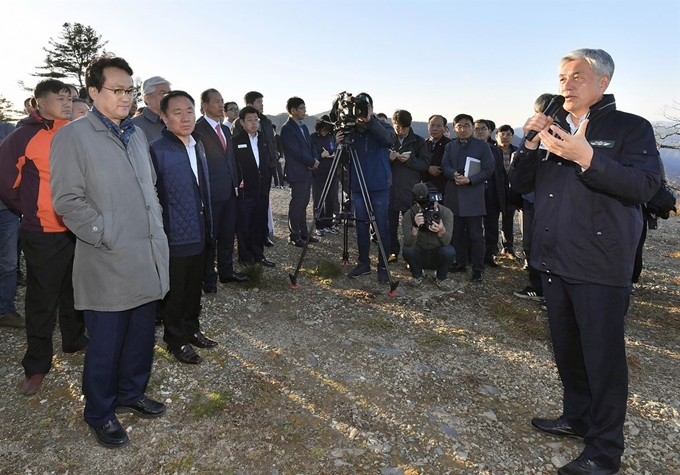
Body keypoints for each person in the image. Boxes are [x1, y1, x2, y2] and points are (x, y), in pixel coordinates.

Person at [509, 48, 660, 475]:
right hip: (554, 262)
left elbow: (646, 186)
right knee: (568, 351)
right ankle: (577, 416)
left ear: (603, 83)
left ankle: (604, 452)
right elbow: (520, 185)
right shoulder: (553, 128)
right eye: (561, 77)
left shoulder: (631, 128)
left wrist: (587, 156)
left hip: (600, 266)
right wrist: (531, 143)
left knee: (603, 361)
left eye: (577, 76)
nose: (566, 84)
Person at [50, 55, 170, 449]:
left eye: (129, 89)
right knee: (106, 343)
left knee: (139, 336)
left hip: (145, 254)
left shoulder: (136, 134)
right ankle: (99, 412)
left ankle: (130, 393)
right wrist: (105, 233)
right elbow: (67, 200)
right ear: (94, 91)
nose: (125, 96)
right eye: (116, 89)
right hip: (107, 257)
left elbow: (148, 186)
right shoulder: (72, 136)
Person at [0, 79, 88, 395]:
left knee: (76, 291)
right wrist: (32, 211)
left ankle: (75, 339)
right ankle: (36, 365)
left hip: (79, 230)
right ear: (39, 102)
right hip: (43, 233)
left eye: (70, 96)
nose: (66, 101)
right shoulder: (23, 137)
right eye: (59, 96)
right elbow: (7, 182)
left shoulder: (78, 131)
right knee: (41, 300)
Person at [149, 90, 217, 365]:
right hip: (174, 233)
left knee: (193, 287)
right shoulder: (156, 149)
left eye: (189, 110)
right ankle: (174, 339)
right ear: (164, 117)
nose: (185, 117)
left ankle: (192, 329)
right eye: (177, 112)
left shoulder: (197, 144)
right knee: (175, 291)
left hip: (200, 228)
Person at [335, 93, 396, 283]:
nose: (360, 112)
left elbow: (389, 140)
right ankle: (363, 263)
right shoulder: (351, 130)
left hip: (379, 184)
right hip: (358, 186)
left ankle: (383, 266)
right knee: (361, 226)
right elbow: (345, 161)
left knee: (381, 228)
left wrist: (370, 121)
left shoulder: (382, 125)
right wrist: (340, 144)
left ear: (371, 108)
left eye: (364, 108)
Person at [195, 88, 247, 292]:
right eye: (216, 101)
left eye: (222, 101)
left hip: (228, 192)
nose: (220, 105)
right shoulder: (198, 129)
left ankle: (226, 272)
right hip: (210, 194)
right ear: (204, 105)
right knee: (211, 237)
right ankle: (208, 278)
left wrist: (235, 183)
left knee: (226, 235)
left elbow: (231, 159)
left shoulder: (225, 129)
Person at [441, 114, 494, 282]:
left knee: (476, 235)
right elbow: (444, 165)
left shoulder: (482, 147)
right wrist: (453, 174)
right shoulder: (450, 146)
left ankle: (478, 268)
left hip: (473, 196)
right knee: (456, 233)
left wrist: (470, 180)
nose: (463, 130)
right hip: (454, 194)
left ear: (472, 128)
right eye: (459, 126)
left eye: (466, 126)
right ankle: (461, 261)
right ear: (454, 128)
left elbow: (489, 169)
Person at [233, 106, 276, 268]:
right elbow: (233, 166)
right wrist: (238, 183)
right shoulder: (235, 141)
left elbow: (268, 162)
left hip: (262, 189)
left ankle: (259, 255)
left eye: (256, 120)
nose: (254, 123)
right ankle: (245, 257)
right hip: (245, 190)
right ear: (242, 122)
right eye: (249, 120)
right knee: (244, 225)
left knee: (260, 223)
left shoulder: (263, 139)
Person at [387, 109, 430, 262]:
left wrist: (410, 161)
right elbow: (378, 162)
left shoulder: (418, 141)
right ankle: (392, 252)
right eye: (398, 127)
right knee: (390, 226)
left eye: (404, 128)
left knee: (411, 226)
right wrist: (389, 159)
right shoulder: (388, 139)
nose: (401, 131)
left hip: (410, 190)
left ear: (409, 125)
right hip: (390, 189)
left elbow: (425, 164)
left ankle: (410, 256)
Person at [280, 96, 319, 247]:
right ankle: (294, 234)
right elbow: (295, 152)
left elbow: (311, 147)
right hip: (297, 171)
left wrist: (315, 159)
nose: (304, 111)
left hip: (308, 170)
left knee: (304, 203)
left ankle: (304, 232)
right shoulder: (287, 129)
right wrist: (311, 162)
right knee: (296, 203)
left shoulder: (303, 127)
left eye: (304, 108)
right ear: (293, 110)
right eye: (301, 108)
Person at [402, 183, 455, 288]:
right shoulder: (410, 214)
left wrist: (441, 231)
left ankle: (440, 277)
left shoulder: (446, 213)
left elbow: (446, 241)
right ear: (417, 204)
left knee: (449, 251)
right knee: (408, 250)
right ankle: (417, 274)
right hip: (420, 253)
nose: (429, 207)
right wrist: (415, 227)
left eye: (432, 203)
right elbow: (408, 242)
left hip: (437, 252)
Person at [474, 119, 505, 268]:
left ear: (489, 131)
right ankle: (474, 254)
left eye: (483, 129)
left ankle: (489, 255)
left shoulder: (496, 150)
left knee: (492, 226)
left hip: (491, 193)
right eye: (477, 129)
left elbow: (500, 173)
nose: (480, 131)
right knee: (474, 227)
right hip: (473, 192)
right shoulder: (469, 148)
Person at [310, 115, 338, 236]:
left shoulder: (330, 137)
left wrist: (334, 151)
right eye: (324, 130)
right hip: (318, 171)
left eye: (328, 130)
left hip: (331, 170)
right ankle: (319, 224)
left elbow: (333, 148)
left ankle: (328, 222)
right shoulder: (312, 138)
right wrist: (320, 156)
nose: (325, 132)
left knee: (331, 197)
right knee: (319, 198)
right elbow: (310, 154)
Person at [131, 76, 171, 142]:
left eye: (169, 94)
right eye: (163, 94)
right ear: (147, 98)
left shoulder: (176, 122)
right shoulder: (133, 126)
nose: (168, 97)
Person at [423, 114, 451, 196]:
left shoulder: (450, 145)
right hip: (424, 186)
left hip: (443, 187)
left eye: (438, 126)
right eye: (432, 125)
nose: (435, 129)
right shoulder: (422, 144)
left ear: (444, 128)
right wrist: (427, 168)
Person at [271, 123, 286, 189]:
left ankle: (282, 184)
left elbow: (281, 148)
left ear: (274, 129)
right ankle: (276, 184)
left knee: (279, 170)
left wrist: (281, 157)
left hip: (278, 156)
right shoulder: (269, 138)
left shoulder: (278, 137)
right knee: (273, 170)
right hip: (271, 156)